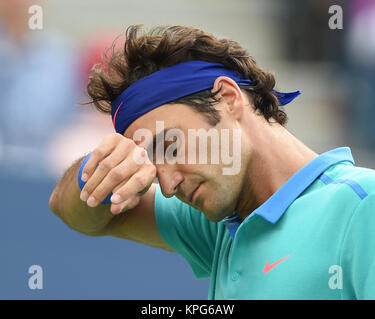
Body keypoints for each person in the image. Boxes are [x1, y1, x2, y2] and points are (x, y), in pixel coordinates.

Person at [49, 25, 375, 299]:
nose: (166, 184)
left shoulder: (363, 206)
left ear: (228, 98)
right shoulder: (214, 222)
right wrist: (101, 171)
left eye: (170, 145)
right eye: (151, 159)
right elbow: (73, 212)